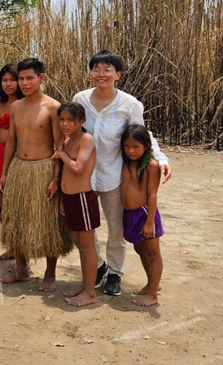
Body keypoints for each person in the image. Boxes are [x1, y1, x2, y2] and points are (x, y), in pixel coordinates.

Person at [73, 50, 171, 296]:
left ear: (118, 74)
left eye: (107, 70)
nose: (101, 74)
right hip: (84, 175)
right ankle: (97, 267)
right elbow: (72, 131)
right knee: (84, 227)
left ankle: (115, 273)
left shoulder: (129, 104)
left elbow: (142, 135)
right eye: (96, 69)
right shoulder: (80, 99)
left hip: (115, 175)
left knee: (117, 228)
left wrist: (160, 158)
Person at [0, 58, 72, 288]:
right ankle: (21, 269)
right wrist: (4, 172)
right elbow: (11, 140)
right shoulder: (15, 107)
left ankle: (50, 275)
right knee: (17, 221)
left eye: (30, 78)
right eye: (21, 78)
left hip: (44, 168)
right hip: (19, 169)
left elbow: (60, 145)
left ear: (41, 78)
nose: (24, 83)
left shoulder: (53, 107)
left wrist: (56, 178)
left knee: (48, 224)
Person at [53, 101, 99, 307]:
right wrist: (63, 198)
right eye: (62, 119)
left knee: (87, 246)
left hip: (82, 198)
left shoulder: (86, 139)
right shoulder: (69, 140)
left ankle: (90, 292)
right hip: (70, 198)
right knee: (80, 245)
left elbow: (78, 167)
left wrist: (60, 154)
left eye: (70, 120)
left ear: (81, 121)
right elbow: (64, 173)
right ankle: (84, 285)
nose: (65, 124)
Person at [120, 124, 164, 307]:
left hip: (145, 214)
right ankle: (152, 283)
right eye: (127, 146)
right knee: (140, 249)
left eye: (136, 147)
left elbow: (152, 194)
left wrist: (149, 222)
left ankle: (153, 293)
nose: (131, 151)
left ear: (146, 145)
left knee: (153, 252)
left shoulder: (151, 166)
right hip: (129, 214)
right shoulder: (126, 161)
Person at [0, 63, 24, 260]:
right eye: (4, 80)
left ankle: (20, 251)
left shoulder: (23, 104)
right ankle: (12, 245)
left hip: (16, 156)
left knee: (14, 205)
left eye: (12, 80)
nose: (8, 84)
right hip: (0, 154)